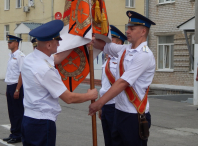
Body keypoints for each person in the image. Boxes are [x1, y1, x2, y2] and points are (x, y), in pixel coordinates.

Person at [21, 20, 98, 146]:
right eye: (56, 40)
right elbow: (68, 98)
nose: (59, 43)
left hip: (29, 119)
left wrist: (80, 43)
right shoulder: (45, 70)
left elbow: (56, 59)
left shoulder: (31, 58)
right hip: (42, 123)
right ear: (48, 45)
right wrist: (90, 95)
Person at [89, 11, 156, 146]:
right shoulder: (125, 50)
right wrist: (88, 35)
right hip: (119, 112)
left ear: (143, 31)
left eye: (132, 29)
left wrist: (99, 103)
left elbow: (123, 82)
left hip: (134, 116)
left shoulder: (144, 55)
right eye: (128, 28)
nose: (127, 31)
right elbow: (103, 46)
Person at [99, 25, 127, 146]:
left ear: (119, 43)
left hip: (114, 106)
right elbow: (105, 86)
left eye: (110, 41)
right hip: (106, 105)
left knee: (115, 140)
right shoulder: (108, 61)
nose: (107, 44)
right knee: (108, 139)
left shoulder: (119, 62)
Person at [3, 35, 25, 144]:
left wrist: (17, 90)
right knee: (11, 111)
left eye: (10, 42)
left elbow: (22, 73)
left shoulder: (20, 56)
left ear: (16, 43)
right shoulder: (11, 56)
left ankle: (18, 135)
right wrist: (9, 89)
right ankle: (13, 133)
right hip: (10, 85)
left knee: (17, 112)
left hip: (17, 86)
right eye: (8, 42)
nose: (8, 44)